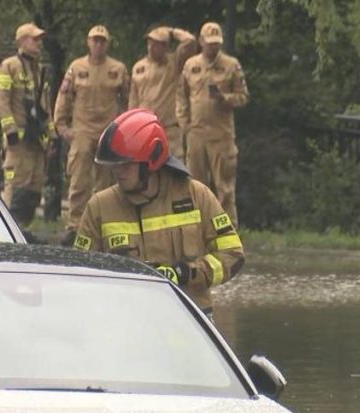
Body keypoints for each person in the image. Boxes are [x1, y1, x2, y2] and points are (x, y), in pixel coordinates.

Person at [74, 108, 245, 317]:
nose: (118, 172)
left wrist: (186, 273)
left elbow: (232, 255)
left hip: (189, 320)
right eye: (115, 166)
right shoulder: (99, 207)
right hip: (126, 321)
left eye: (126, 165)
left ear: (151, 161)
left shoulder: (196, 196)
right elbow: (81, 274)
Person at [55, 25, 129, 246]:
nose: (98, 45)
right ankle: (74, 226)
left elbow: (128, 100)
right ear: (88, 42)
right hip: (82, 130)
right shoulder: (77, 68)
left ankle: (102, 226)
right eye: (95, 40)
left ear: (108, 44)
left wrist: (125, 128)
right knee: (78, 180)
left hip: (108, 131)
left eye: (102, 41)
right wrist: (61, 125)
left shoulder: (118, 69)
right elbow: (64, 97)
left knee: (106, 183)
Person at [177, 22, 249, 227]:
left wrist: (225, 98)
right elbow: (181, 96)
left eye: (216, 44)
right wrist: (184, 124)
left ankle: (228, 232)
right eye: (209, 44)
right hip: (196, 133)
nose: (213, 47)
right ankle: (198, 231)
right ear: (201, 42)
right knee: (195, 185)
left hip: (222, 134)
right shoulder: (191, 65)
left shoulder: (231, 65)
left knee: (224, 187)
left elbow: (243, 97)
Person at [0, 22, 57, 239]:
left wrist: (51, 136)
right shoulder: (9, 66)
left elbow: (45, 106)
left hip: (36, 139)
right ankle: (9, 231)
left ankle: (24, 230)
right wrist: (10, 130)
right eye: (34, 39)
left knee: (34, 185)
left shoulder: (39, 70)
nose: (39, 43)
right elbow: (3, 101)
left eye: (40, 39)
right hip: (18, 140)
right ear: (22, 41)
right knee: (16, 183)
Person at [129, 26, 198, 162]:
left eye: (156, 44)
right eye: (150, 43)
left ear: (165, 46)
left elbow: (190, 41)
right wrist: (132, 126)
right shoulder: (138, 67)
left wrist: (172, 31)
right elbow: (133, 100)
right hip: (145, 128)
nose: (151, 47)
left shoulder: (175, 62)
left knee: (175, 170)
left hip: (169, 129)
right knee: (145, 169)